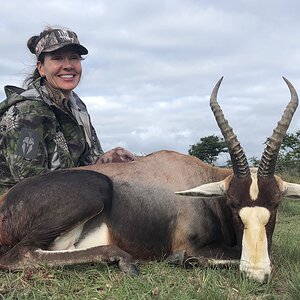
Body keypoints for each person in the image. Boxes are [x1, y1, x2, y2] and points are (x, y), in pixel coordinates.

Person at [0, 27, 135, 191]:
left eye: (74, 58)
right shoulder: (27, 112)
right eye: (57, 58)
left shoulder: (77, 108)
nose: (68, 66)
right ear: (41, 68)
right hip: (20, 210)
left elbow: (90, 160)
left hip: (68, 199)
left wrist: (110, 160)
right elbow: (29, 182)